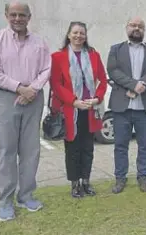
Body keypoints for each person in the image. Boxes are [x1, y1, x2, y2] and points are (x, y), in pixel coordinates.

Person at [0, 1, 50, 221]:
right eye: (13, 14)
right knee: (7, 152)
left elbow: (47, 68)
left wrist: (32, 90)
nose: (17, 18)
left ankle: (26, 195)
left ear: (29, 17)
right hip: (4, 98)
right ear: (6, 15)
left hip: (33, 99)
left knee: (31, 151)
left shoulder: (39, 43)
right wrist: (20, 87)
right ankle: (5, 201)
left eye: (22, 15)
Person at [49, 22, 107, 198]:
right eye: (75, 33)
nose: (78, 36)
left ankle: (86, 182)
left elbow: (103, 80)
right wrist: (73, 101)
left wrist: (97, 98)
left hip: (90, 109)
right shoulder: (58, 57)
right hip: (70, 110)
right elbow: (56, 84)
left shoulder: (93, 55)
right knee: (73, 149)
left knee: (88, 148)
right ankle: (75, 184)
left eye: (82, 33)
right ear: (68, 35)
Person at [106, 17, 146, 194]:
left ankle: (143, 177)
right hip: (121, 107)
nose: (136, 28)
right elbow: (113, 71)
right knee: (120, 145)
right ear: (127, 28)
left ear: (144, 30)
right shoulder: (116, 49)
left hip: (145, 108)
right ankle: (120, 178)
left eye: (140, 26)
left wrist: (141, 85)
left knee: (144, 144)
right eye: (133, 25)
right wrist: (132, 85)